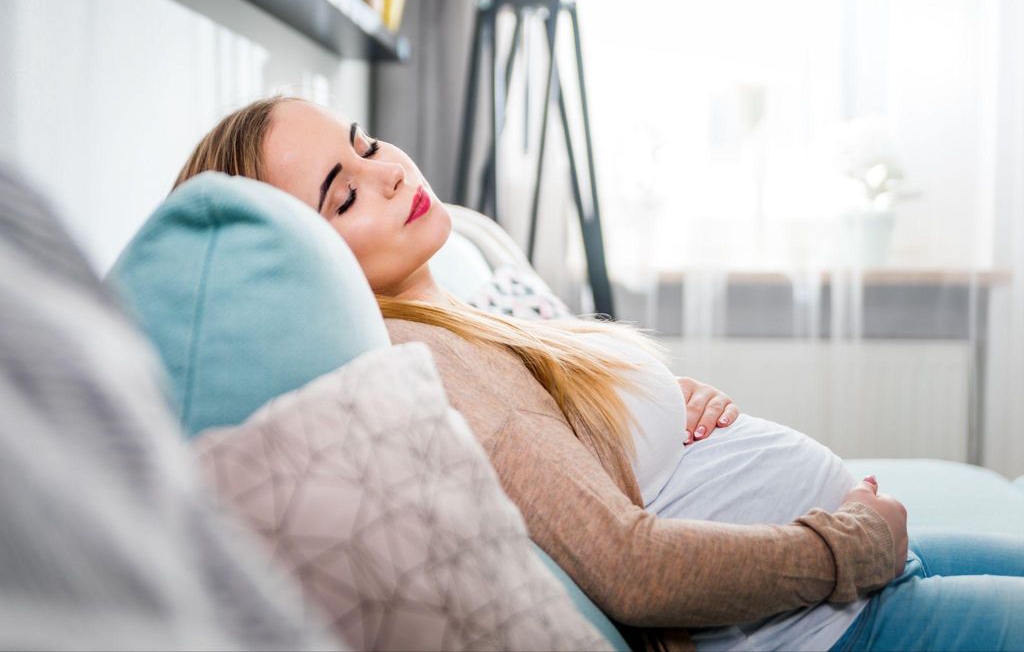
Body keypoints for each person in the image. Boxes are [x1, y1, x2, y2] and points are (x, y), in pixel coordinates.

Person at [172, 96, 1024, 651]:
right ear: (309, 260)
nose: (389, 169)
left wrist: (643, 402)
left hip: (847, 593)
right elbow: (630, 567)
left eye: (365, 144)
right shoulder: (424, 363)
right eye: (343, 193)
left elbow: (575, 466)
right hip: (834, 624)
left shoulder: (465, 320)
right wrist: (848, 547)